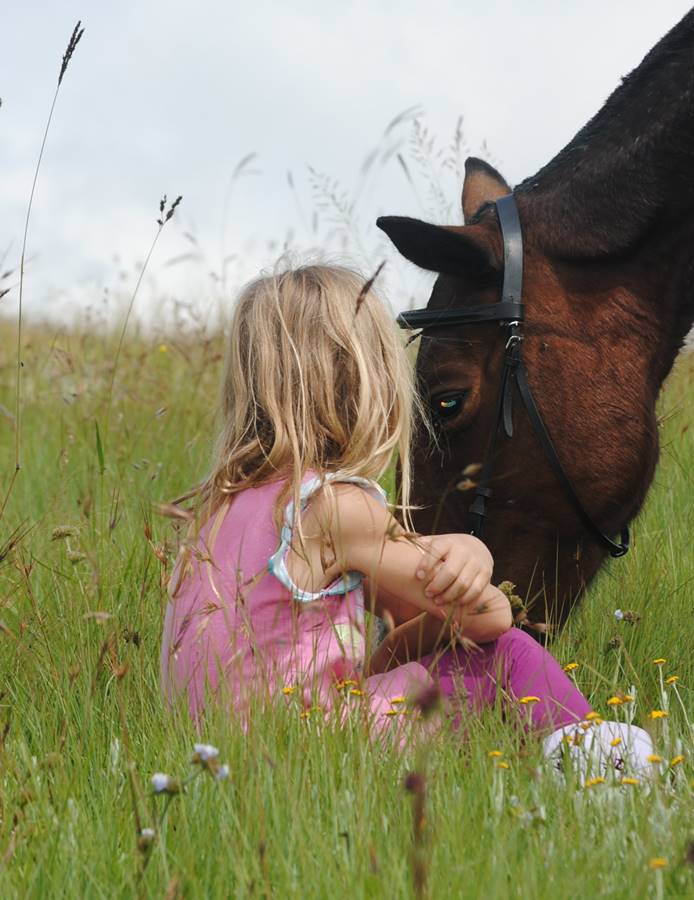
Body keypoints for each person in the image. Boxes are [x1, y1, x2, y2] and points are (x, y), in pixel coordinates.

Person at [160, 263, 653, 780]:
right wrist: (474, 554)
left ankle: (521, 773)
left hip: (225, 759)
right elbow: (489, 618)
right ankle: (602, 770)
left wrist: (449, 578)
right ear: (365, 381)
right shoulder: (333, 508)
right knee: (505, 655)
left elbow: (397, 619)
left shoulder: (218, 514)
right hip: (311, 751)